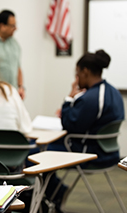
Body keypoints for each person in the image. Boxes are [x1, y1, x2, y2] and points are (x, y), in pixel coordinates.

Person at [43, 49, 125, 212]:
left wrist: (69, 99)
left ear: (85, 72)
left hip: (92, 154)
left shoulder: (92, 97)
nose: (76, 78)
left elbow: (70, 125)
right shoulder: (112, 91)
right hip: (108, 152)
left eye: (77, 73)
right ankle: (55, 193)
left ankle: (52, 195)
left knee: (37, 154)